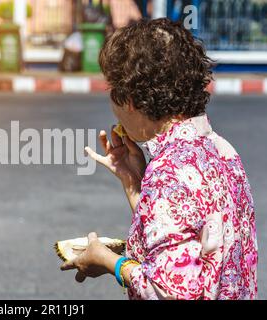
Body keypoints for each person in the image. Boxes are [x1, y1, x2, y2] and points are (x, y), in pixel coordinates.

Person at [60, 18, 258, 300]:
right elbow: (187, 245)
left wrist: (108, 261)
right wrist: (133, 181)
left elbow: (170, 292)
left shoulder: (168, 172)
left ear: (128, 98)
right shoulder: (222, 150)